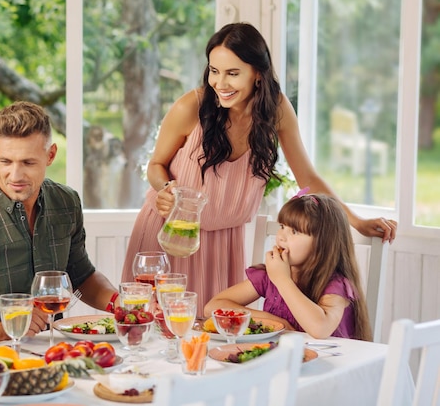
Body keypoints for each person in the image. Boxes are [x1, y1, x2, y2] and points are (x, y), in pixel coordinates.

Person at [121, 22, 397, 318]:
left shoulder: (276, 110)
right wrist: (165, 189)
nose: (220, 83)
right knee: (150, 330)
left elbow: (308, 178)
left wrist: (356, 221)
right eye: (214, 71)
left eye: (232, 73)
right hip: (170, 235)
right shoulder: (192, 106)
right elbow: (156, 165)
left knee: (217, 340)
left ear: (257, 74)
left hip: (223, 245)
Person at [0, 101, 118, 340]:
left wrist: (121, 305)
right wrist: (6, 328)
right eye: (5, 161)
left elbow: (82, 277)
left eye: (28, 162)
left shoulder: (66, 203)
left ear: (51, 155)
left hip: (54, 349)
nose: (15, 176)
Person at [204, 192, 372, 340]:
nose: (281, 237)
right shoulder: (269, 275)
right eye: (282, 226)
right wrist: (270, 320)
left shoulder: (335, 285)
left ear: (323, 243)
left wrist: (283, 280)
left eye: (294, 232)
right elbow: (212, 307)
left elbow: (320, 328)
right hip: (280, 362)